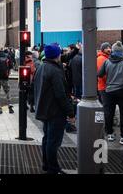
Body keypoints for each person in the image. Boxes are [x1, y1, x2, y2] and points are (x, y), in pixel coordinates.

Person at [33, 43, 75, 174]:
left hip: (45, 109)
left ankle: (47, 164)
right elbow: (60, 94)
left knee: (47, 139)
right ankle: (53, 168)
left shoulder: (42, 67)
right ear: (57, 55)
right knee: (53, 142)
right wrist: (70, 112)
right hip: (55, 112)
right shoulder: (55, 71)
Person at [98, 41, 123, 145]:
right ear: (122, 51)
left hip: (109, 91)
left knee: (109, 113)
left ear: (113, 51)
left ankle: (109, 134)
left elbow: (100, 74)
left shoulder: (107, 61)